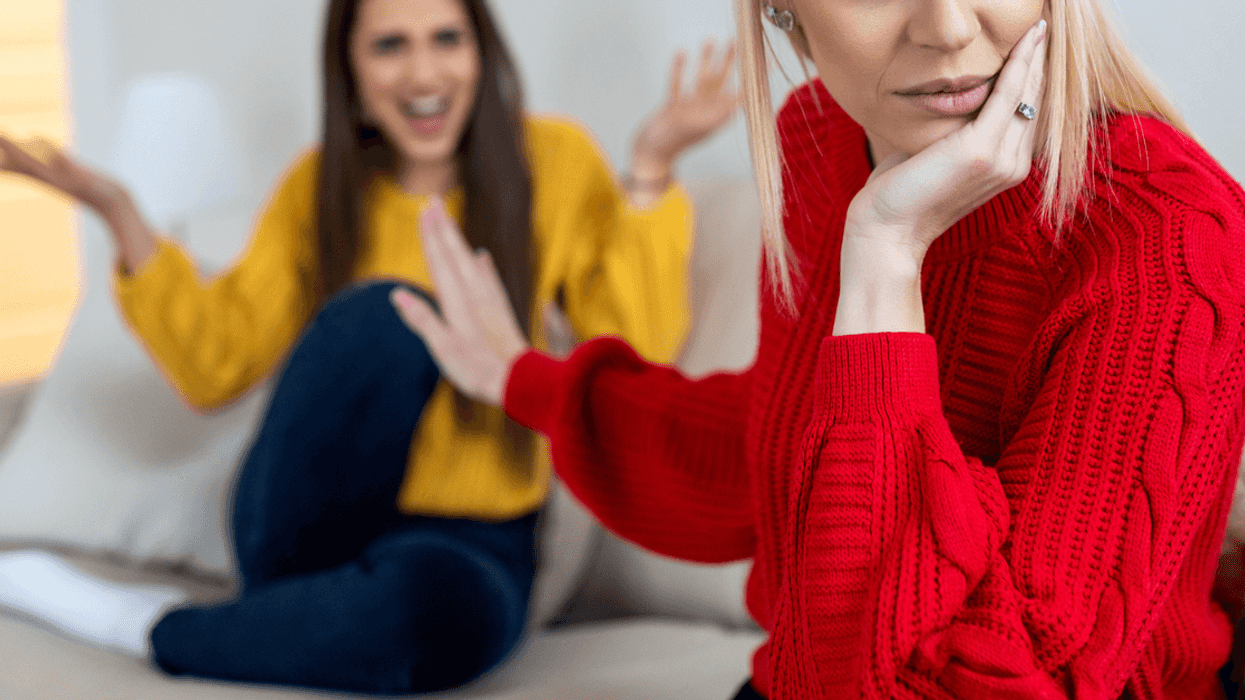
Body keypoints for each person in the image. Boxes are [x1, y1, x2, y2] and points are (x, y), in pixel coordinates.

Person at [390, 0, 1245, 698]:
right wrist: (525, 381)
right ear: (779, 10)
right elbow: (778, 442)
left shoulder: (1167, 236)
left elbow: (999, 681)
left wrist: (883, 256)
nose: (946, 27)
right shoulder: (811, 144)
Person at [0, 0, 739, 693]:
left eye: (445, 38)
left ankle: (150, 625)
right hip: (304, 531)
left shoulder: (553, 162)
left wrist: (650, 168)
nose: (423, 73)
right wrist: (118, 213)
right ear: (351, 74)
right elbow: (213, 364)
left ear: (480, 52)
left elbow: (632, 353)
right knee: (386, 314)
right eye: (390, 45)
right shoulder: (318, 186)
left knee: (435, 613)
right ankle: (275, 617)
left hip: (473, 541)